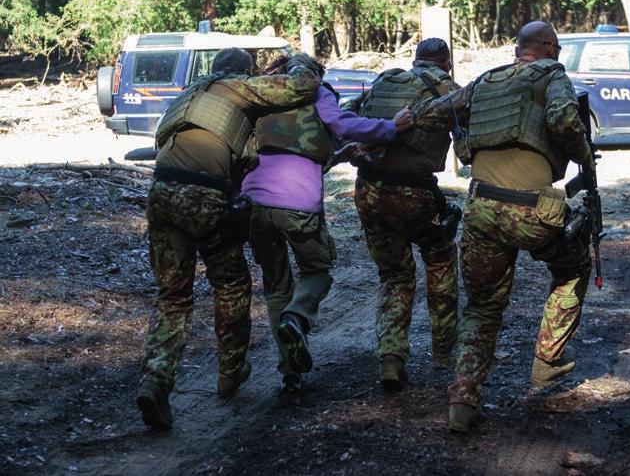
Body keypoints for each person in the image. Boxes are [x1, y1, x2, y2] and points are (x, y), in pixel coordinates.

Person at [412, 21, 595, 432]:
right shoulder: (552, 74)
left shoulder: (484, 81)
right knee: (574, 266)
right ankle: (548, 360)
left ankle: (463, 399)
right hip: (533, 212)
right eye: (559, 46)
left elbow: (432, 114)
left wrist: (406, 121)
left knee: (482, 306)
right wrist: (585, 155)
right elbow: (565, 121)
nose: (560, 52)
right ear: (548, 47)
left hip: (481, 208)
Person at [136, 48, 320, 430]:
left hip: (161, 192)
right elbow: (304, 87)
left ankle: (156, 379)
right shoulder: (238, 88)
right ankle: (231, 371)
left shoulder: (188, 94)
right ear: (244, 73)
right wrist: (299, 62)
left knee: (173, 296)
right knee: (232, 284)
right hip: (205, 194)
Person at [241, 55, 414, 398]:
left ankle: (290, 373)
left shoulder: (261, 95)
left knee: (276, 286)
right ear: (313, 76)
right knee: (317, 271)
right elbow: (341, 125)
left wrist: (337, 156)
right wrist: (391, 128)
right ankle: (297, 318)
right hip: (298, 201)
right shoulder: (317, 93)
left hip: (252, 202)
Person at [343, 38, 461, 391]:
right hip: (414, 193)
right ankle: (443, 351)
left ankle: (391, 358)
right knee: (439, 261)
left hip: (368, 189)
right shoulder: (448, 89)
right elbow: (469, 147)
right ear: (446, 63)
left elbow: (349, 114)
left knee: (394, 276)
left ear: (415, 60)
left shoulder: (386, 81)